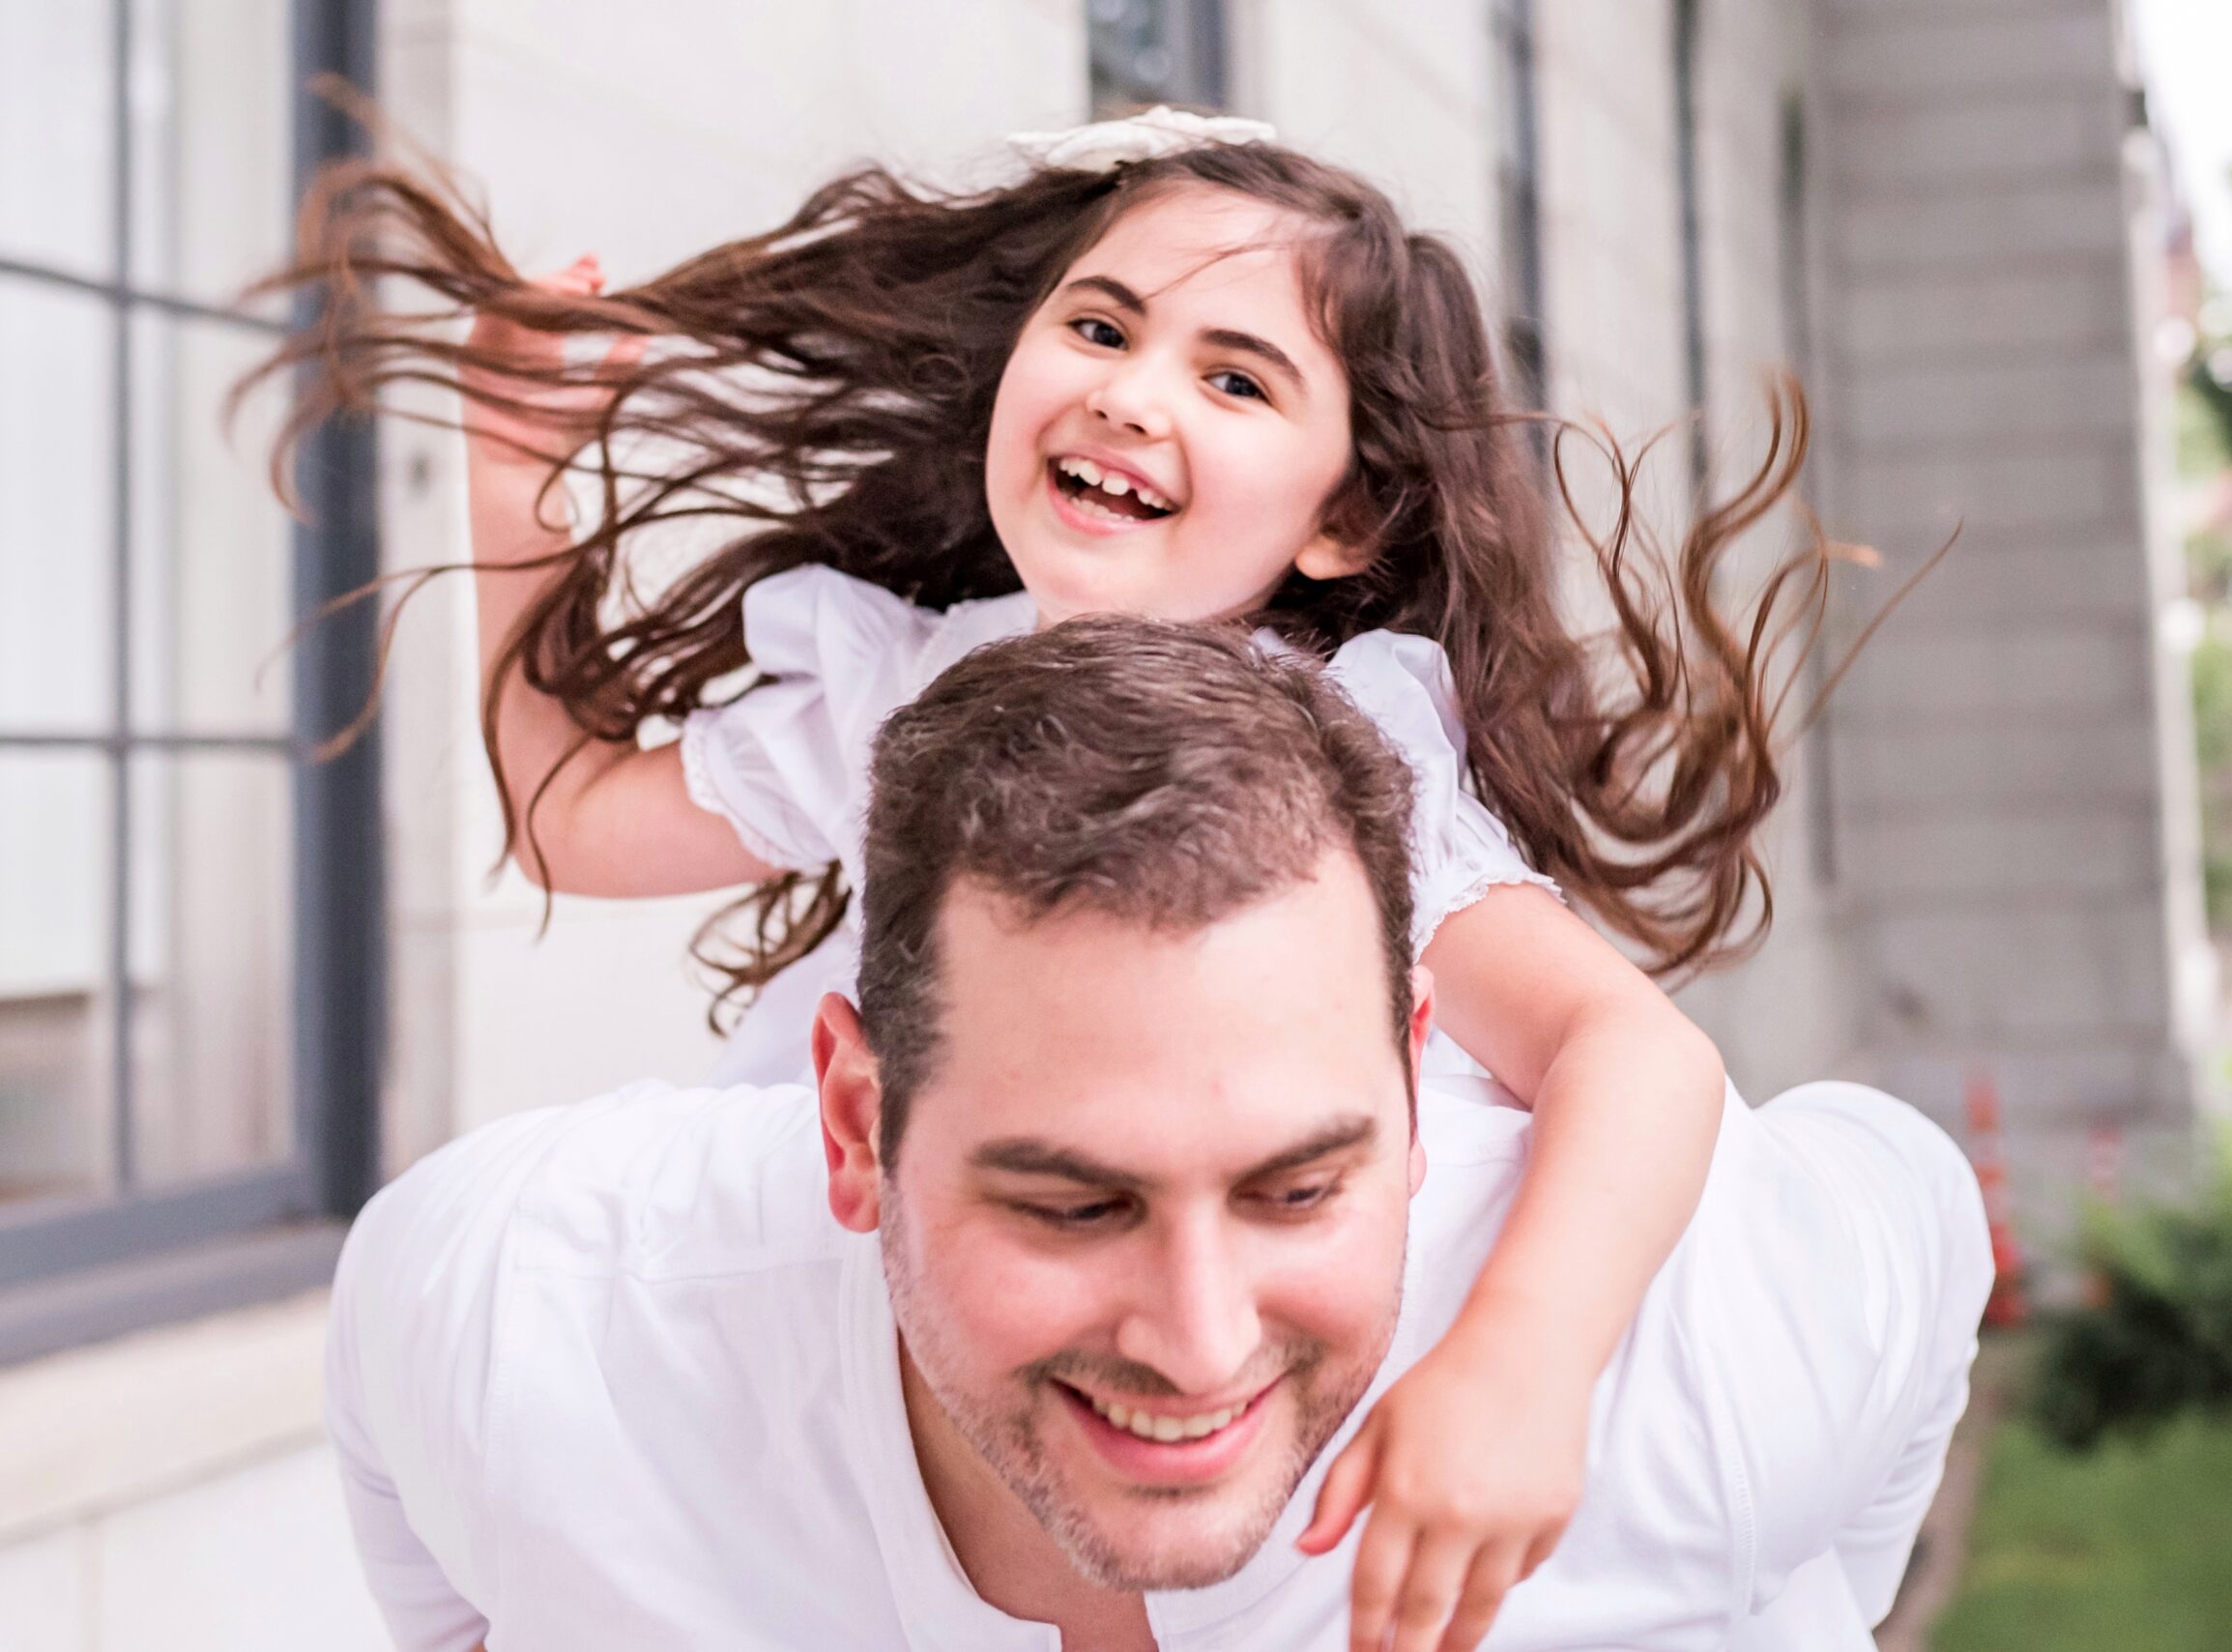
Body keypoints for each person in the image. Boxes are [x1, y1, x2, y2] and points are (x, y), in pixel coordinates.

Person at [256, 106, 1875, 1648]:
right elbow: (570, 816)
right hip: (860, 1396)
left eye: (1234, 379)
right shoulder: (910, 687)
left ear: (1345, 512)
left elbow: (1636, 1054)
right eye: (1099, 331)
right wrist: (516, 475)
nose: (1130, 392)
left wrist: (1520, 1364)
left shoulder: (1342, 766)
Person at [328, 620, 1993, 1652]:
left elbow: (1921, 1215)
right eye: (1070, 1203)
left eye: (1298, 1185)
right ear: (854, 1119)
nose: (1199, 1341)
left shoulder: (1701, 1358)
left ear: (1417, 1097)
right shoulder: (529, 1320)